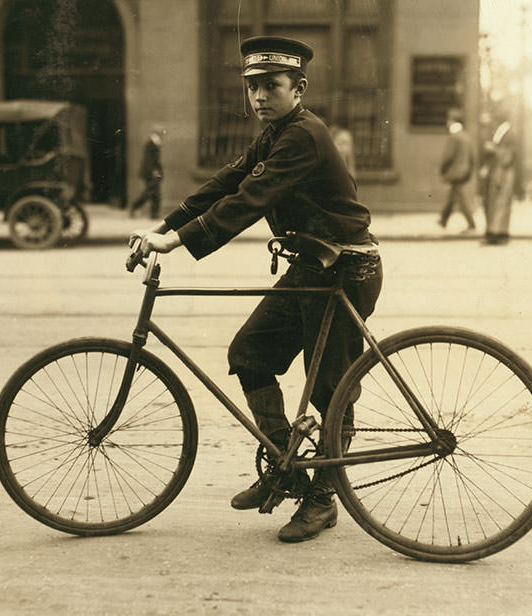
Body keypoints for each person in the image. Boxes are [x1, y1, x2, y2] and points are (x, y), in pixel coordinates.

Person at [129, 35, 382, 543]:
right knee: (249, 353)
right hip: (312, 266)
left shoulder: (303, 135)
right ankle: (287, 469)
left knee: (330, 392)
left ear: (299, 88)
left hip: (344, 269)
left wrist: (176, 243)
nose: (260, 96)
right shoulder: (276, 134)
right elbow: (226, 182)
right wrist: (162, 226)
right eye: (253, 88)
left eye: (272, 86)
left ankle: (322, 499)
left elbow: (249, 200)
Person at [437, 108, 476, 232]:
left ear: (453, 122)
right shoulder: (466, 136)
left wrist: (442, 168)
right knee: (453, 194)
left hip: (455, 172)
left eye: (449, 120)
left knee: (459, 196)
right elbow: (472, 157)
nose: (447, 123)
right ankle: (443, 219)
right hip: (464, 171)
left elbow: (448, 156)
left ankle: (471, 224)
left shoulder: (454, 137)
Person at [481, 113, 516, 245]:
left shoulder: (507, 133)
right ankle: (498, 232)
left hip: (503, 171)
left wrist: (493, 149)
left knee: (499, 203)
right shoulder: (502, 132)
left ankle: (496, 233)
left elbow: (508, 154)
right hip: (499, 170)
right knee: (497, 203)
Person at [129, 125, 165, 219]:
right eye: (161, 132)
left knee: (153, 193)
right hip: (151, 173)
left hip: (153, 172)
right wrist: (154, 171)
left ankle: (153, 213)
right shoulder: (151, 143)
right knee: (151, 193)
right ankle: (135, 207)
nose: (163, 134)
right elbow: (148, 159)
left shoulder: (154, 143)